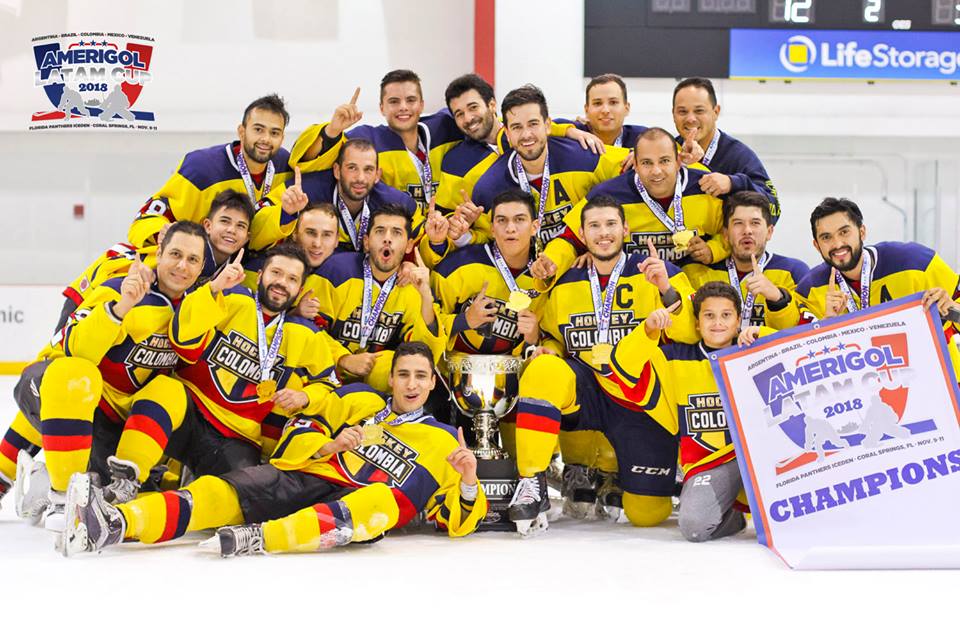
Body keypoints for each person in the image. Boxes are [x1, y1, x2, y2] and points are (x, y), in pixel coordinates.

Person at [62, 342, 487, 557]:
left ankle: (258, 539)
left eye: (420, 376)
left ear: (432, 383)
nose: (411, 384)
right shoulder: (360, 402)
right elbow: (303, 423)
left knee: (377, 500)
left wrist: (469, 482)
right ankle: (115, 523)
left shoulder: (444, 439)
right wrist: (326, 443)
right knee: (222, 490)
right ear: (390, 380)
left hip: (354, 509)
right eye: (403, 375)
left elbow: (454, 521)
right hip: (309, 474)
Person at [100, 244, 344, 511]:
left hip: (237, 437)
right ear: (260, 275)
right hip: (189, 412)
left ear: (299, 289)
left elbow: (328, 384)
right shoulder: (232, 298)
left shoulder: (307, 334)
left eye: (292, 279)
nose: (282, 283)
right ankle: (124, 483)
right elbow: (182, 338)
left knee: (234, 498)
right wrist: (214, 288)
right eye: (276, 273)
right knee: (163, 388)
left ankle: (137, 508)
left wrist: (306, 395)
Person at [507, 196, 697, 535]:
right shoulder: (566, 281)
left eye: (611, 224)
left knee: (647, 513)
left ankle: (630, 476)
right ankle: (531, 481)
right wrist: (543, 346)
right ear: (582, 233)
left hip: (640, 399)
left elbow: (689, 332)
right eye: (594, 226)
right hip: (589, 390)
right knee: (543, 370)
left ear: (626, 229)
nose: (603, 233)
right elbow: (555, 339)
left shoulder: (657, 271)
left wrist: (665, 289)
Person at [6, 222, 208, 530]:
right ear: (160, 252)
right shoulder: (121, 286)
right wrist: (122, 306)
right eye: (175, 255)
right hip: (55, 389)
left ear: (202, 266)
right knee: (75, 376)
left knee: (171, 392)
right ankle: (61, 496)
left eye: (192, 260)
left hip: (112, 422)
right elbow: (75, 350)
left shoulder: (196, 309)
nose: (182, 266)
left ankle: (43, 482)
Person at [606, 281, 769, 542]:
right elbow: (623, 367)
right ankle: (733, 518)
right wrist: (647, 331)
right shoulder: (673, 358)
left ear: (739, 321)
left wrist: (764, 333)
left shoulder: (754, 351)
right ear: (696, 323)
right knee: (693, 527)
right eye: (709, 315)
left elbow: (796, 357)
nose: (718, 323)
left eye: (726, 315)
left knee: (792, 518)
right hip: (709, 464)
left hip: (759, 457)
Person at [534, 127, 728, 286]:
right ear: (633, 163)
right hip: (635, 288)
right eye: (646, 163)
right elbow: (570, 238)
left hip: (689, 287)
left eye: (665, 161)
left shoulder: (705, 187)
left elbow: (734, 228)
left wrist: (713, 249)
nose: (656, 171)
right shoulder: (608, 195)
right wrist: (552, 260)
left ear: (679, 161)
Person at [432, 73, 603, 250]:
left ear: (492, 104)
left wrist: (569, 130)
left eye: (473, 107)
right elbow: (449, 222)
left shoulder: (530, 129)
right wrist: (461, 227)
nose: (468, 118)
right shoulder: (455, 164)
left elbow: (541, 125)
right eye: (459, 114)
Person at [795, 197, 960, 369]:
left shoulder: (916, 262)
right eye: (826, 237)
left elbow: (956, 314)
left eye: (844, 232)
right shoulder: (810, 290)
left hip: (939, 386)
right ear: (817, 245)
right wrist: (827, 324)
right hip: (869, 391)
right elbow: (805, 360)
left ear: (862, 232)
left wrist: (952, 310)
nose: (837, 244)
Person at [58, 189, 255, 332]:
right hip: (90, 293)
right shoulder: (179, 245)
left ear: (247, 236)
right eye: (225, 221)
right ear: (208, 225)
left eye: (240, 225)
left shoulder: (230, 274)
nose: (231, 230)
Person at [471, 85, 629, 247]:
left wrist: (638, 156)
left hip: (580, 265)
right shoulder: (488, 188)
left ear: (547, 126)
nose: (526, 135)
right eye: (517, 127)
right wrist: (463, 236)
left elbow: (637, 164)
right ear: (507, 134)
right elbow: (485, 237)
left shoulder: (585, 157)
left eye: (533, 124)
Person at [310, 203, 446, 392]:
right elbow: (306, 327)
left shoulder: (411, 287)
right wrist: (343, 358)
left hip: (375, 385)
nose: (387, 239)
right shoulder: (337, 270)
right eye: (380, 231)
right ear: (366, 242)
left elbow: (425, 353)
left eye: (396, 233)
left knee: (403, 365)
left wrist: (425, 294)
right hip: (324, 374)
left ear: (408, 246)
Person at [128, 94, 292, 248]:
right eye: (258, 129)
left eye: (274, 133)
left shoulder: (285, 165)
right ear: (242, 132)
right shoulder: (201, 168)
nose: (265, 139)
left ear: (282, 138)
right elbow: (148, 216)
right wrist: (161, 232)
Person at [289, 70, 462, 209]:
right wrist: (332, 130)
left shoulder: (445, 127)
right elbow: (307, 160)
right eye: (394, 101)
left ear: (422, 105)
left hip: (446, 236)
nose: (403, 107)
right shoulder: (368, 140)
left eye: (411, 100)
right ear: (382, 108)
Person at [248, 139, 421, 254]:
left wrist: (408, 261)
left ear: (377, 175)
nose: (360, 178)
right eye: (352, 168)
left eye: (368, 169)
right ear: (337, 170)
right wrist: (285, 212)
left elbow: (418, 242)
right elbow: (253, 230)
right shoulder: (305, 188)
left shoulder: (399, 204)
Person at [685, 190, 808, 330]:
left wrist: (778, 299)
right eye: (738, 223)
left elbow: (800, 336)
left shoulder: (794, 272)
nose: (747, 230)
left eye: (755, 223)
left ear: (769, 232)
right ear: (725, 233)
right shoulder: (696, 272)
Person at [672, 77, 780, 221]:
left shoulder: (740, 156)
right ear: (673, 114)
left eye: (699, 111)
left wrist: (733, 184)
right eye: (682, 112)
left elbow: (774, 209)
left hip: (723, 243)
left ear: (716, 112)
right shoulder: (668, 153)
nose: (690, 118)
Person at [557, 73, 648, 148]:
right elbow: (547, 126)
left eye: (613, 102)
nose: (605, 110)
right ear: (587, 110)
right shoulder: (574, 134)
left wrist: (641, 155)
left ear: (626, 108)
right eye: (597, 103)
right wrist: (569, 131)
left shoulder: (642, 138)